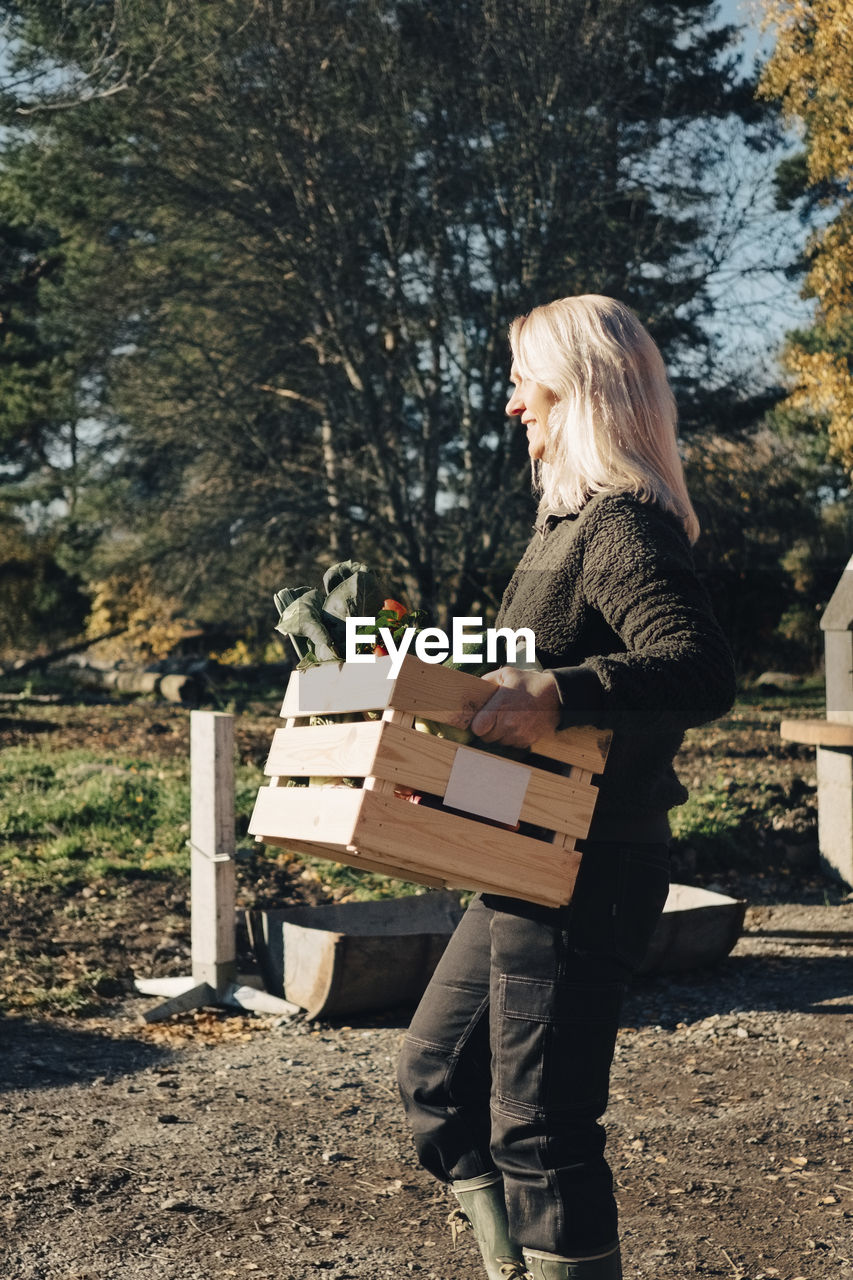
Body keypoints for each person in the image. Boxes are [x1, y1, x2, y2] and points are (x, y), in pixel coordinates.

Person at [396, 295, 736, 1280]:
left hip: (591, 863)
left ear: (578, 388)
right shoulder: (563, 527)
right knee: (437, 1078)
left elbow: (697, 666)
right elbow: (518, 698)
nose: (510, 405)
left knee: (541, 1129)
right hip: (520, 851)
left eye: (520, 380)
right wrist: (452, 775)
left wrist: (563, 688)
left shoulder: (624, 523)